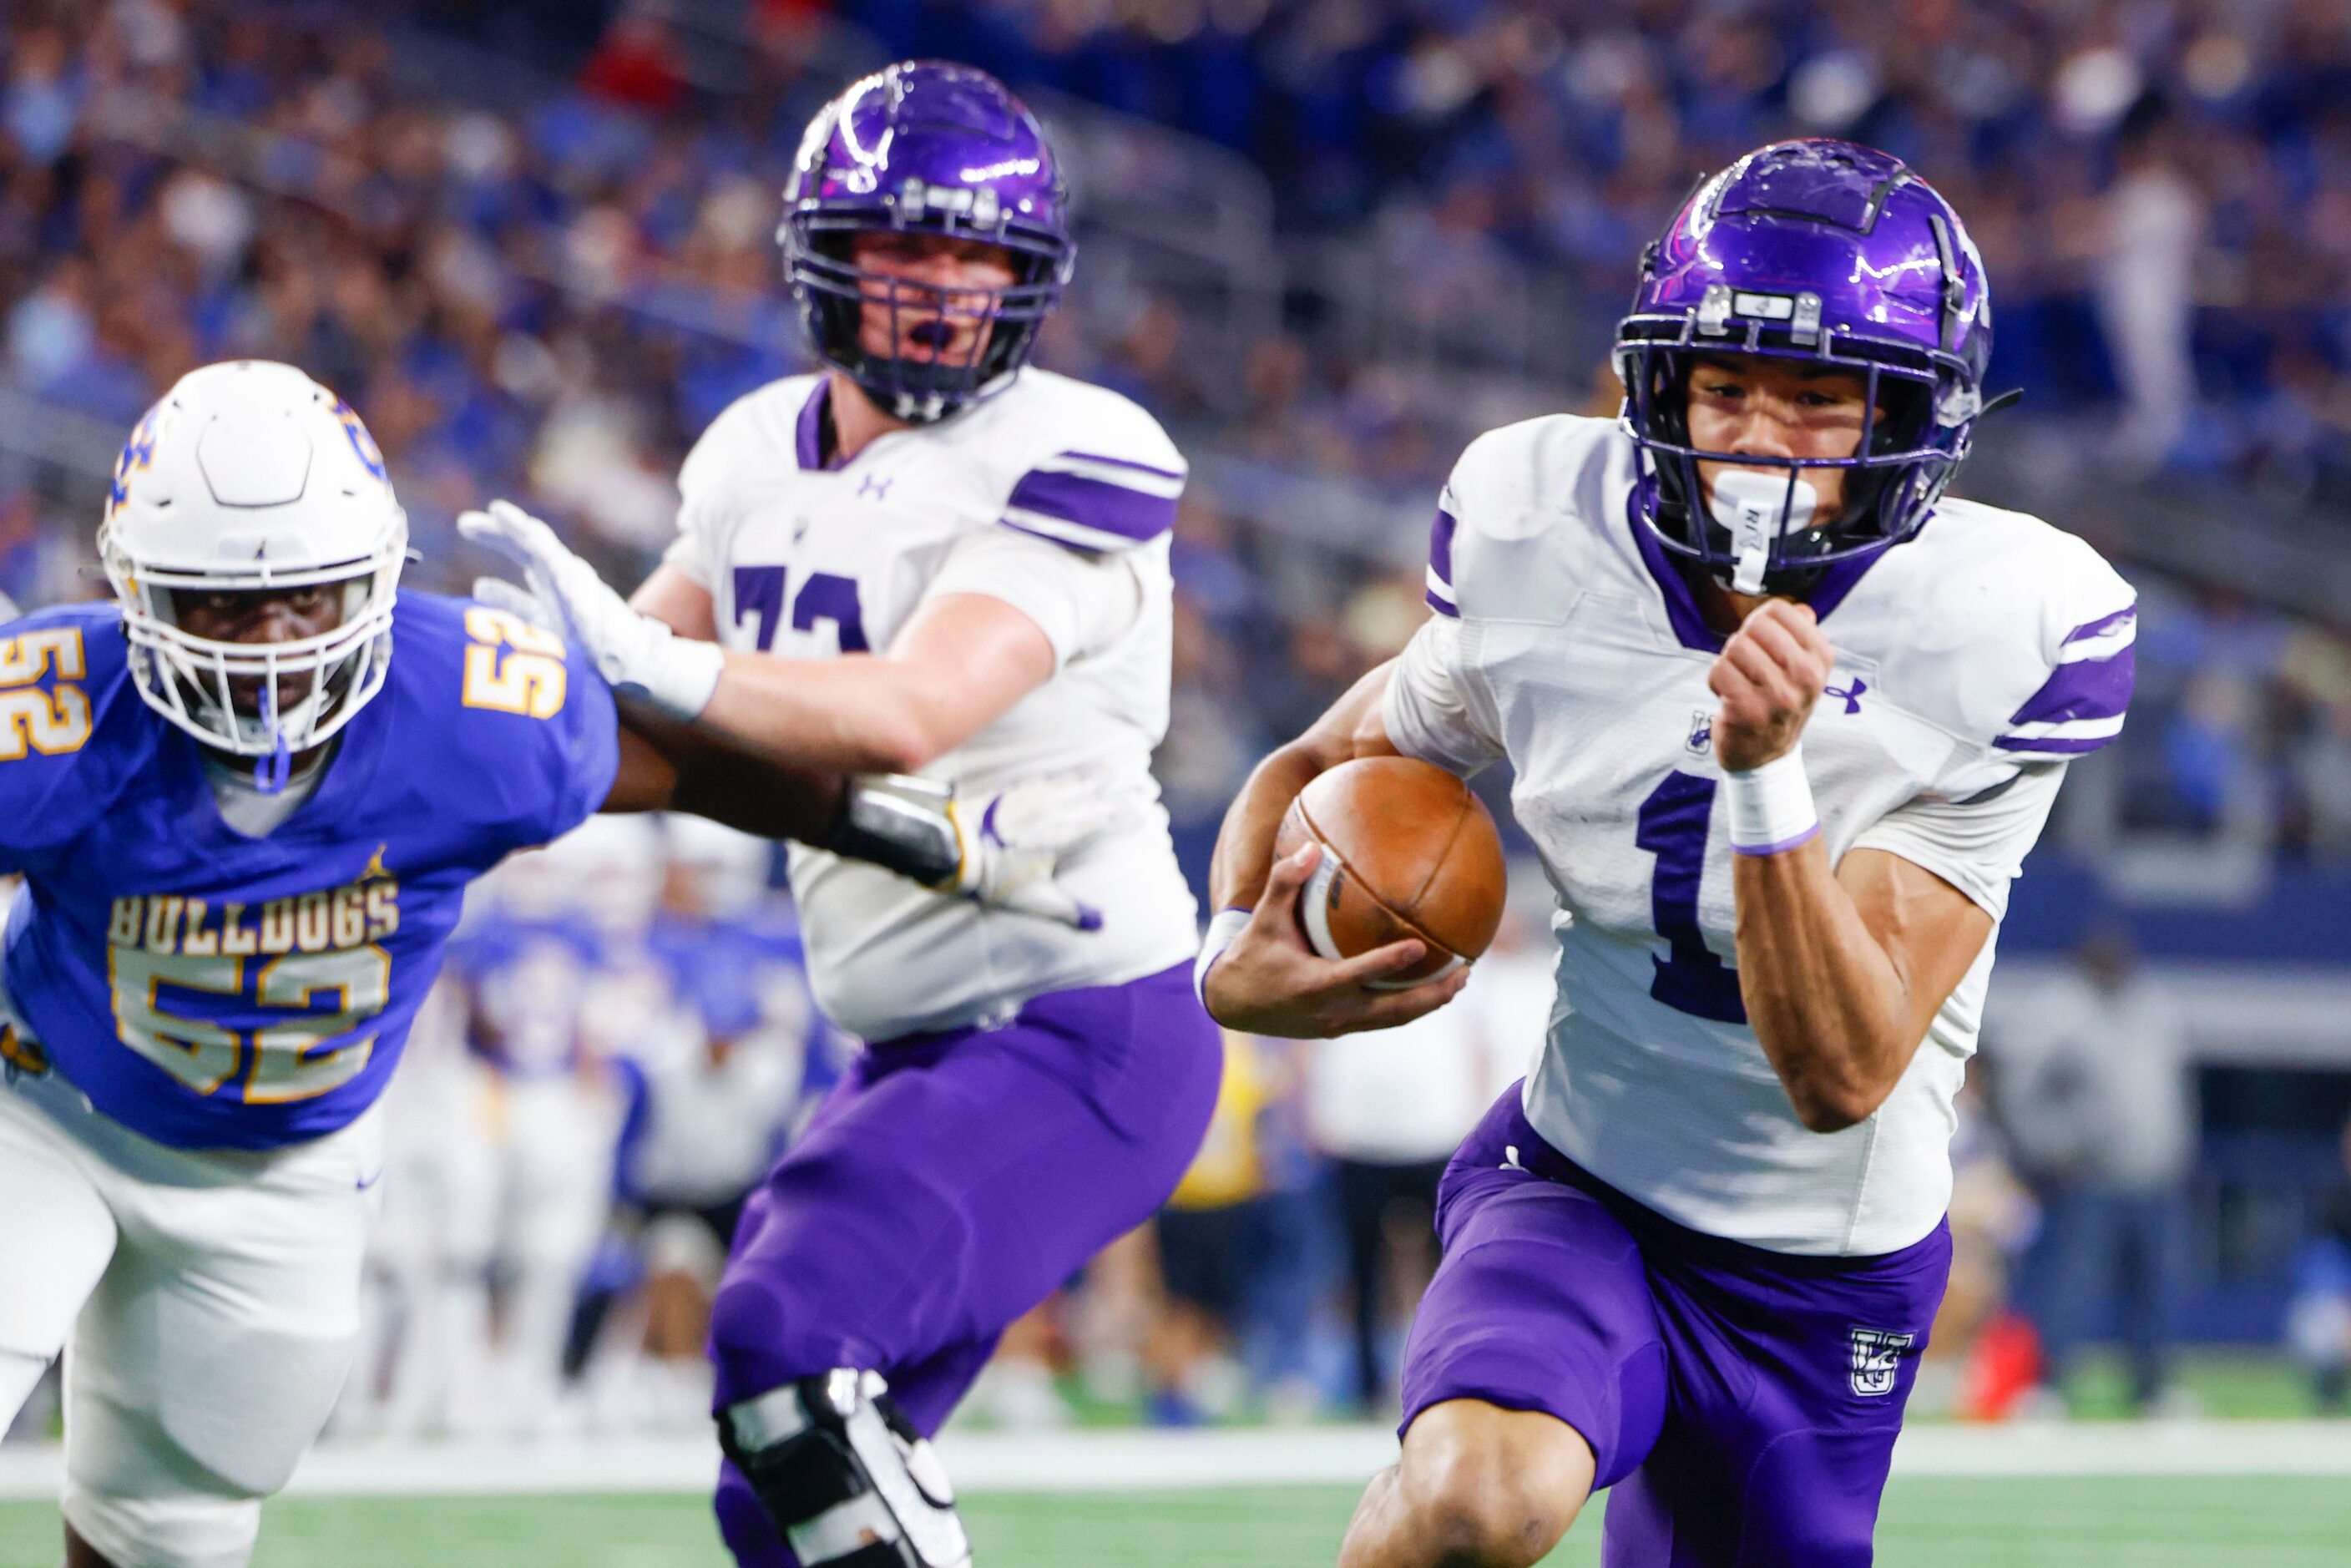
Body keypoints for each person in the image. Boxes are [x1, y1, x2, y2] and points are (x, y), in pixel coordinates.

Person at [1196, 139, 2136, 1566]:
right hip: (1576, 1178)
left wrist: (1767, 780)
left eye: (1821, 398)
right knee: (1469, 1496)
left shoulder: (2001, 623)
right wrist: (1230, 954)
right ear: (1657, 382)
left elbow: (1839, 1070)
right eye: (1729, 386)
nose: (1763, 436)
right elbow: (1321, 766)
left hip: (1822, 1271)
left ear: (1916, 418)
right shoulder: (1543, 527)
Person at [0, 358, 1090, 1568]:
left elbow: (689, 766)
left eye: (307, 600)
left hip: (284, 1165)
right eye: (221, 604)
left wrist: (905, 826)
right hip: (43, 1104)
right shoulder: (53, 703)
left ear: (375, 577)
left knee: (174, 1521)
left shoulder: (468, 711)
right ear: (135, 589)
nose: (270, 646)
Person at [462, 61, 1223, 1568]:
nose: (939, 284)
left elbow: (904, 713)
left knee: (785, 1335)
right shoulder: (750, 449)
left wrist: (635, 651)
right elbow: (633, 736)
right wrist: (443, 719)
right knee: (779, 1478)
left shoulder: (1080, 446)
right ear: (823, 251)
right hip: (907, 1036)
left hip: (1083, 1020)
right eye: (902, 245)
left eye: (972, 253)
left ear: (1031, 277)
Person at [1995, 928, 2197, 1414]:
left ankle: (2153, 1390)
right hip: (2092, 1176)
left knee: (2159, 1288)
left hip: (2154, 1175)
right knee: (2072, 1287)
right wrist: (2049, 1147)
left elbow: (2171, 1090)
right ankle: (2046, 1387)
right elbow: (2017, 1083)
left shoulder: (2153, 1006)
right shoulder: (2058, 1010)